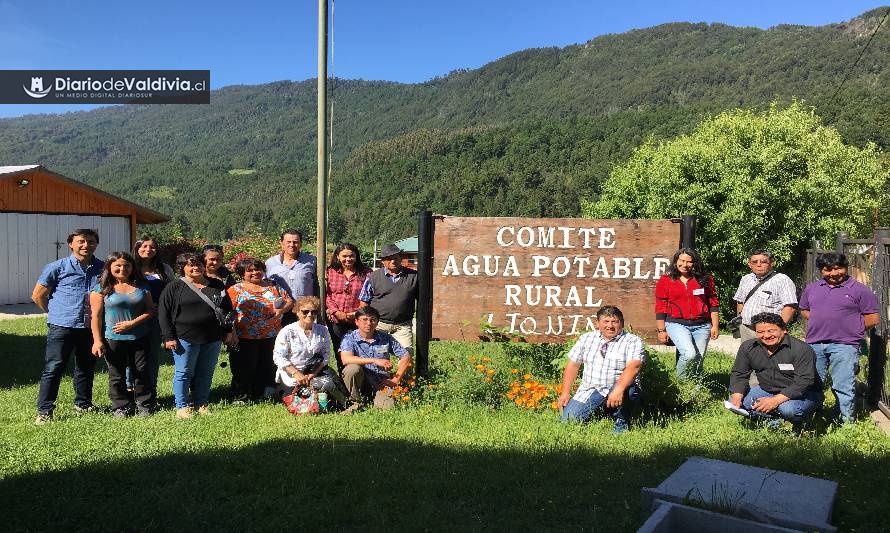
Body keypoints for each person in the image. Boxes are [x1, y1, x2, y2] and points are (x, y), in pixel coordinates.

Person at [32, 229, 105, 424]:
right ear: (71, 244)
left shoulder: (103, 268)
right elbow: (38, 295)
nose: (86, 245)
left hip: (90, 327)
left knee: (86, 366)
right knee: (54, 367)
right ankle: (45, 410)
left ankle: (83, 403)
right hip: (62, 326)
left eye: (90, 241)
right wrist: (54, 312)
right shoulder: (57, 267)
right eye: (81, 241)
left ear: (96, 244)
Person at [799, 252, 879, 424]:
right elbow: (804, 310)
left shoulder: (859, 290)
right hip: (815, 343)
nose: (834, 273)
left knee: (843, 386)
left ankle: (845, 423)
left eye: (838, 268)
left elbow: (873, 318)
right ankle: (813, 417)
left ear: (846, 267)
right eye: (828, 269)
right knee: (812, 383)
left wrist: (851, 328)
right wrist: (820, 320)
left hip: (845, 345)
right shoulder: (812, 288)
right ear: (821, 270)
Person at [159, 253, 236, 419]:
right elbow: (163, 313)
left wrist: (228, 330)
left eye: (199, 264)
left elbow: (227, 309)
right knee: (184, 372)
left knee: (206, 372)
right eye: (191, 265)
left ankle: (201, 403)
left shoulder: (217, 284)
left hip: (212, 336)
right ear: (183, 268)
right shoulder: (174, 286)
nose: (196, 268)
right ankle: (182, 406)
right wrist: (168, 337)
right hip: (184, 336)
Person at [557, 306, 645, 433]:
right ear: (597, 323)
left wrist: (619, 389)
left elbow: (634, 366)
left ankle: (621, 421)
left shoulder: (632, 341)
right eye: (606, 321)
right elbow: (573, 364)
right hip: (591, 388)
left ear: (622, 323)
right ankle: (603, 410)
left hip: (619, 387)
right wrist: (565, 392)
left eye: (615, 321)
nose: (610, 326)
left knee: (631, 389)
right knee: (568, 422)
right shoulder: (586, 338)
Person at [728, 313, 823, 430]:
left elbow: (804, 382)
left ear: (784, 330)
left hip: (804, 393)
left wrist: (774, 401)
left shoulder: (801, 349)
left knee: (788, 409)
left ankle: (805, 421)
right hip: (768, 389)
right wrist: (737, 396)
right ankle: (775, 423)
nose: (766, 335)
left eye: (771, 331)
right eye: (760, 332)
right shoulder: (748, 347)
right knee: (738, 403)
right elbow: (739, 373)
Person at [89, 251, 155, 418]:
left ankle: (144, 405)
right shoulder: (101, 289)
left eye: (126, 265)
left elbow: (150, 311)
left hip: (140, 337)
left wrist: (131, 323)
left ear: (132, 267)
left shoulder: (142, 286)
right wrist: (97, 341)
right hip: (113, 339)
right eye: (117, 265)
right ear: (109, 267)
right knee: (116, 374)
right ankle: (120, 406)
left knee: (141, 372)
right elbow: (95, 316)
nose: (122, 268)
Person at [227, 258, 292, 402]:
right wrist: (231, 333)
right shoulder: (235, 290)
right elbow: (228, 313)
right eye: (249, 270)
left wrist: (280, 312)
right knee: (245, 367)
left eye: (258, 269)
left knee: (267, 364)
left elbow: (288, 301)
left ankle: (263, 394)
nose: (255, 272)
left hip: (272, 334)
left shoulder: (273, 286)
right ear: (241, 273)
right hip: (244, 336)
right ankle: (241, 396)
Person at [654, 247, 720, 378]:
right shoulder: (666, 279)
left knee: (698, 360)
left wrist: (715, 326)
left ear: (695, 263)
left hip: (702, 325)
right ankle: (680, 383)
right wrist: (661, 330)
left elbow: (713, 303)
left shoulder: (705, 279)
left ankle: (696, 391)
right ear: (675, 261)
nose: (684, 265)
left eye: (689, 262)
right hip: (676, 324)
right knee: (689, 354)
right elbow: (661, 305)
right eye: (681, 260)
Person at [272, 296, 347, 408]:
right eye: (305, 311)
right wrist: (297, 374)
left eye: (314, 312)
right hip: (292, 374)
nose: (310, 315)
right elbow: (278, 357)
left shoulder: (323, 330)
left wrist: (314, 373)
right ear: (297, 312)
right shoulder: (287, 331)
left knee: (331, 393)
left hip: (314, 371)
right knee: (298, 400)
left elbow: (325, 355)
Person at [339, 306, 412, 411]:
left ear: (377, 323)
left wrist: (396, 379)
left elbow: (405, 356)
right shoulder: (349, 338)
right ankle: (355, 403)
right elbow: (346, 359)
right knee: (351, 369)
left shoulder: (385, 338)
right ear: (356, 322)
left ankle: (375, 399)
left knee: (387, 408)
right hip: (361, 381)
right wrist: (374, 360)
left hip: (380, 382)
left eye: (372, 320)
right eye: (364, 319)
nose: (368, 323)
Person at [132, 236, 175, 399]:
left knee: (152, 355)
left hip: (157, 318)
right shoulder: (130, 267)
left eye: (152, 247)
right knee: (132, 355)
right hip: (133, 317)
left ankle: (151, 390)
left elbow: (172, 291)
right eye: (144, 246)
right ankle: (131, 390)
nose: (148, 250)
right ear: (136, 248)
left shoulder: (164, 269)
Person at [358, 243, 418, 353]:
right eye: (389, 259)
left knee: (407, 354)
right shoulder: (373, 277)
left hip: (402, 325)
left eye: (396, 258)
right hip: (379, 324)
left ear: (401, 258)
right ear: (383, 261)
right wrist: (366, 322)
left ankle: (403, 371)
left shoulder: (413, 276)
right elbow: (364, 301)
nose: (393, 261)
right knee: (379, 354)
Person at [325, 243, 372, 370]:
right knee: (340, 348)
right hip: (336, 319)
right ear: (337, 257)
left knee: (361, 348)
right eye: (344, 256)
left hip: (358, 319)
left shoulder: (366, 273)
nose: (348, 259)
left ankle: (362, 378)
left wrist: (357, 312)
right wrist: (336, 312)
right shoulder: (330, 272)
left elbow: (369, 295)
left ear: (356, 256)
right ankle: (344, 378)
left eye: (351, 256)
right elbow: (328, 295)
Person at [732, 250, 798, 341]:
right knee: (747, 354)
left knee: (769, 355)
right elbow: (740, 301)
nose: (759, 265)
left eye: (763, 261)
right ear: (749, 264)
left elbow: (790, 307)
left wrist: (780, 328)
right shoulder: (746, 279)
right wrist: (739, 322)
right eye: (754, 262)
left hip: (769, 332)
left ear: (771, 263)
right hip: (746, 329)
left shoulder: (782, 280)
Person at [265, 229, 318, 325]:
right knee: (281, 339)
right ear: (281, 243)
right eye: (288, 242)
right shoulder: (270, 263)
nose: (292, 245)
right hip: (281, 310)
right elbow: (265, 286)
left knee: (305, 338)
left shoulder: (312, 261)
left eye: (295, 242)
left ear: (301, 244)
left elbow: (318, 285)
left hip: (304, 310)